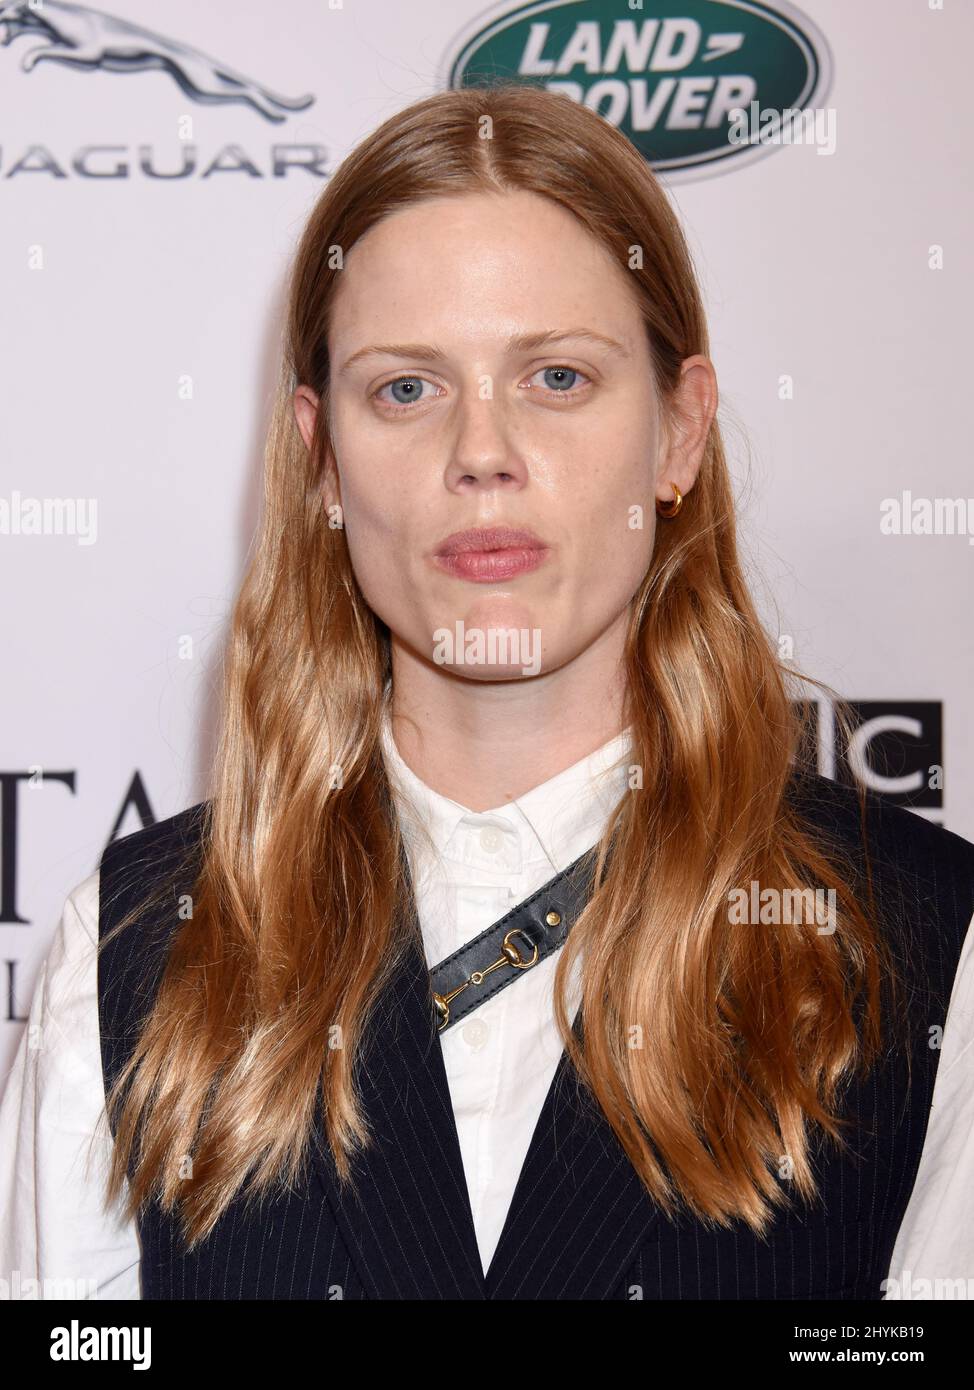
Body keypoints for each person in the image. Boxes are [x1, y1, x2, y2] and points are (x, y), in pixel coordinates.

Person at [2, 83, 973, 1302]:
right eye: (404, 388)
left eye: (557, 378)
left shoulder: (926, 947)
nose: (480, 452)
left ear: (678, 434)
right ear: (322, 462)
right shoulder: (138, 953)